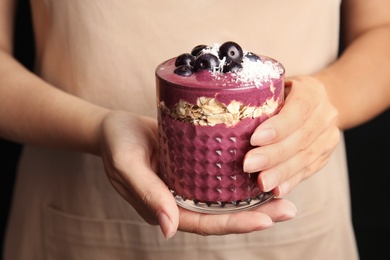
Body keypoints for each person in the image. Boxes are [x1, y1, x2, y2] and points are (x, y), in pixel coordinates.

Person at [1, 0, 389, 259]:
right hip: (74, 210)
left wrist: (327, 97)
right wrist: (97, 128)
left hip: (293, 215)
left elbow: (381, 29)